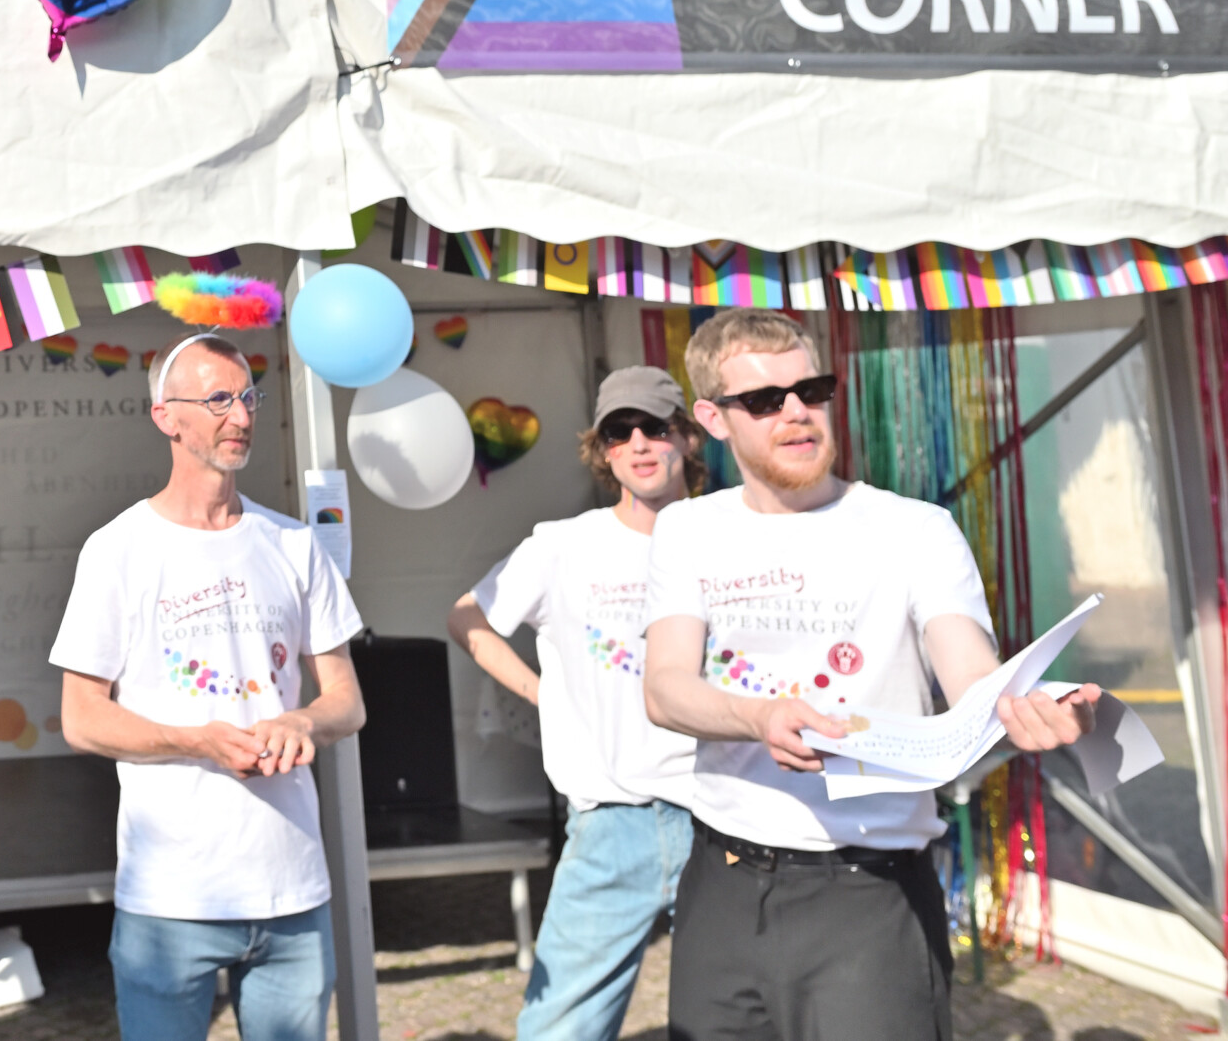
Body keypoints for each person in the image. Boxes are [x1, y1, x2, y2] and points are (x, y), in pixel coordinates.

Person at [643, 308, 1100, 1041]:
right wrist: (757, 717)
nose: (796, 413)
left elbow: (976, 682)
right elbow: (664, 686)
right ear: (714, 419)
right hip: (722, 883)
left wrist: (1038, 707)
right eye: (764, 401)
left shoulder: (914, 529)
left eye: (812, 390)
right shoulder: (689, 528)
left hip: (868, 891)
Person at [51, 333, 367, 1041]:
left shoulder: (292, 542)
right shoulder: (118, 549)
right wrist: (193, 741)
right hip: (171, 901)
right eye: (218, 400)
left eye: (248, 397)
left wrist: (303, 724)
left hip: (293, 895)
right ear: (166, 416)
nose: (242, 416)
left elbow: (347, 698)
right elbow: (81, 718)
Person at [448, 366, 704, 1041]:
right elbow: (468, 618)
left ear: (686, 437)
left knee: (738, 1018)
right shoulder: (564, 545)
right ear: (604, 449)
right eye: (621, 431)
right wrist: (542, 693)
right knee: (561, 1028)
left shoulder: (729, 536)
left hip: (725, 812)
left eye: (655, 426)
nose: (640, 443)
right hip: (612, 822)